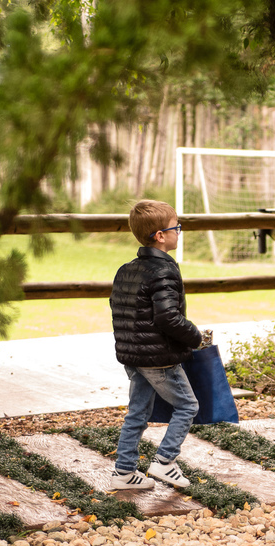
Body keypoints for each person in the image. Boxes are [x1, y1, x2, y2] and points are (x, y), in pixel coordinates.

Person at [108, 200, 201, 490]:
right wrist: (195, 336)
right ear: (160, 235)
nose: (180, 231)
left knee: (137, 412)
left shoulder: (127, 269)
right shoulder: (164, 271)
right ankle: (164, 462)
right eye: (177, 227)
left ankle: (123, 473)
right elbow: (168, 318)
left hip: (133, 356)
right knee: (187, 405)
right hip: (158, 358)